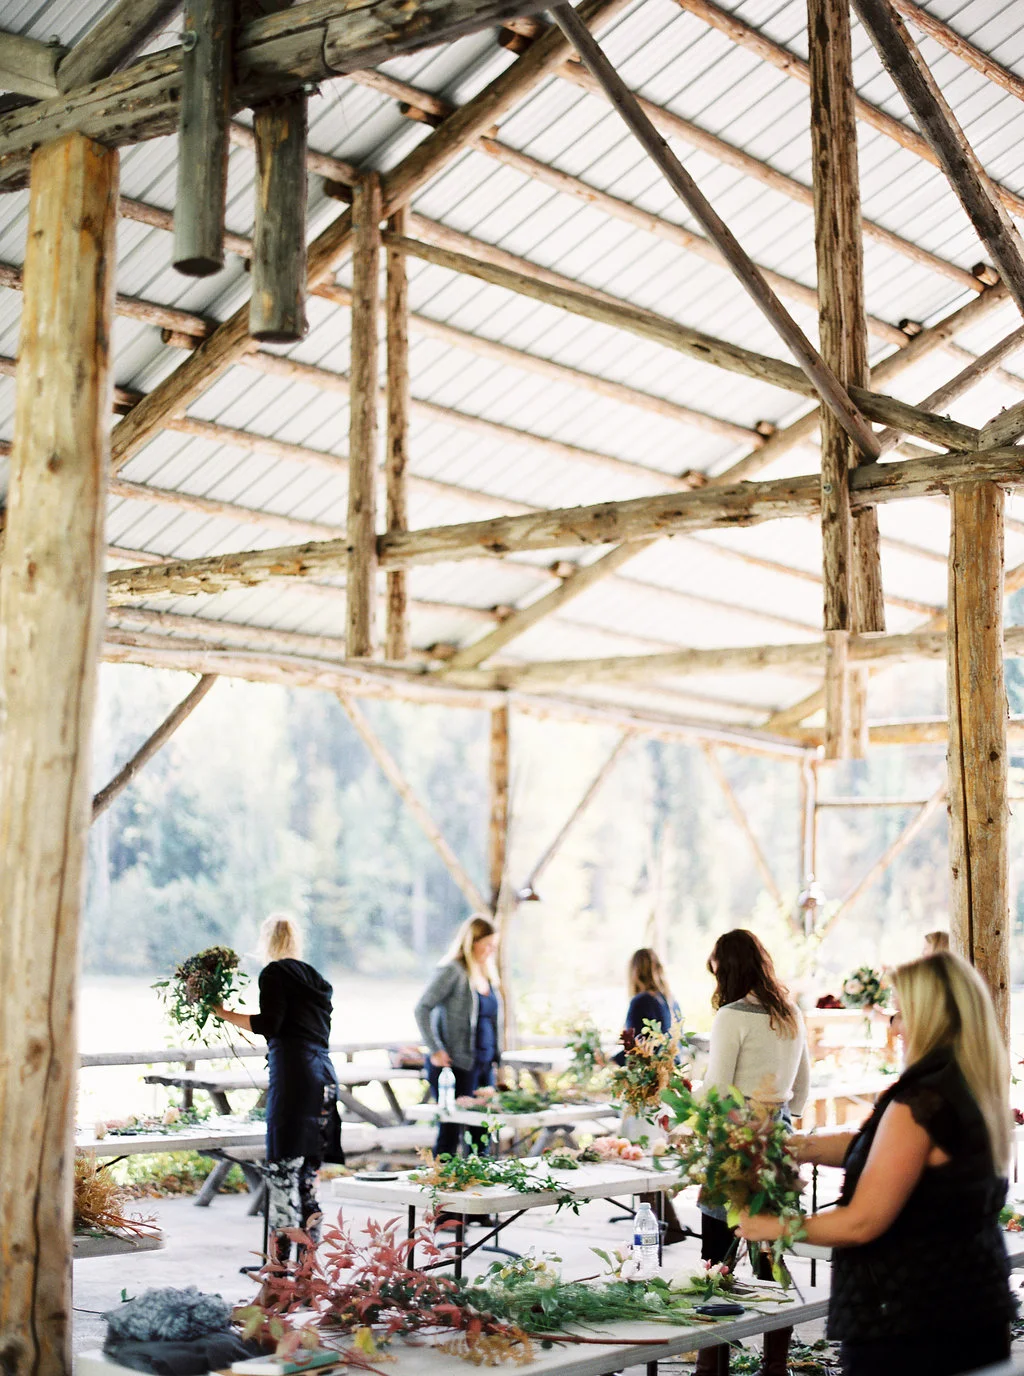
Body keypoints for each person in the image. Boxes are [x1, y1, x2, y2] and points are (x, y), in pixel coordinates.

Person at [739, 952, 1016, 1376]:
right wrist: (797, 1145)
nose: (895, 1027)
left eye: (901, 1014)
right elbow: (884, 1149)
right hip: (971, 1304)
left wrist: (770, 1228)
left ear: (930, 1018)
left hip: (912, 1319)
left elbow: (862, 1222)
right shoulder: (968, 1084)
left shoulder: (923, 1099)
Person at [698, 929, 810, 1376]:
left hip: (734, 1139)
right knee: (772, 1253)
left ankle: (712, 1367)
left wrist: (690, 1097)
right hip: (778, 1136)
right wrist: (785, 1112)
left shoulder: (731, 1015)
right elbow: (802, 1087)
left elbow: (718, 1087)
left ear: (727, 968)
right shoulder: (791, 1012)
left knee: (716, 1254)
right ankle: (776, 1365)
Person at [215, 914, 343, 1262]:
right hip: (325, 1079)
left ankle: (279, 1275)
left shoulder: (274, 973)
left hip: (295, 1079)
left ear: (266, 941)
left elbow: (269, 1023)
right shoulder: (318, 980)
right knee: (307, 1179)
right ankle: (307, 1272)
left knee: (283, 1178)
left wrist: (222, 1012)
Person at [613, 948, 690, 1246]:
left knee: (639, 1155)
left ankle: (660, 1228)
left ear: (635, 971)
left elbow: (633, 1045)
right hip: (667, 1087)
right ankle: (668, 1226)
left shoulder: (642, 1000)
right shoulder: (670, 1001)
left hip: (644, 1089)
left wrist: (609, 1061)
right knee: (652, 1155)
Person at [415, 915, 503, 1158]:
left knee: (481, 1130)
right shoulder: (452, 970)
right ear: (471, 942)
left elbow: (493, 1021)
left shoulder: (486, 974)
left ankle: (480, 1187)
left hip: (484, 1065)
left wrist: (497, 1059)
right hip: (456, 1065)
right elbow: (422, 1007)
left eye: (493, 945)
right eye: (486, 944)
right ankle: (441, 1185)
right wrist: (435, 1049)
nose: (490, 951)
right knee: (451, 1129)